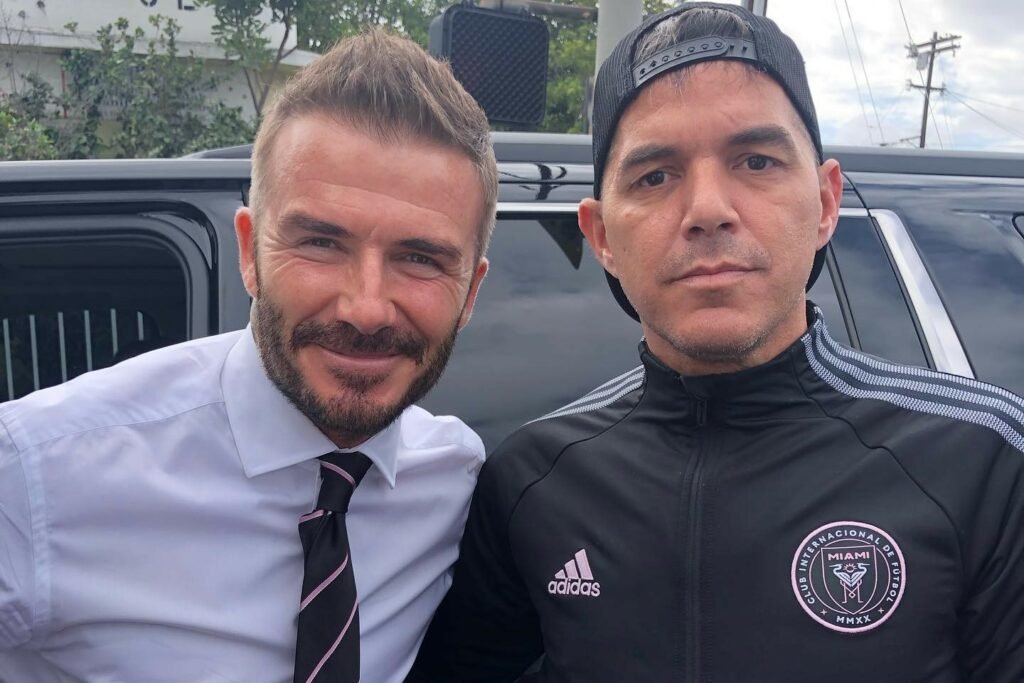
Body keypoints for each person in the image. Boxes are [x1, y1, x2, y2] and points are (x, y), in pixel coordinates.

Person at [409, 4, 1024, 681]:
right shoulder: (531, 481)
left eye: (756, 161)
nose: (707, 210)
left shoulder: (986, 461)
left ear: (825, 203)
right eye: (655, 175)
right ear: (601, 235)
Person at [0, 29, 496, 683]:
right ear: (249, 251)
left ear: (471, 292)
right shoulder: (34, 476)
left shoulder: (458, 478)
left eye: (420, 257)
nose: (367, 307)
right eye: (320, 243)